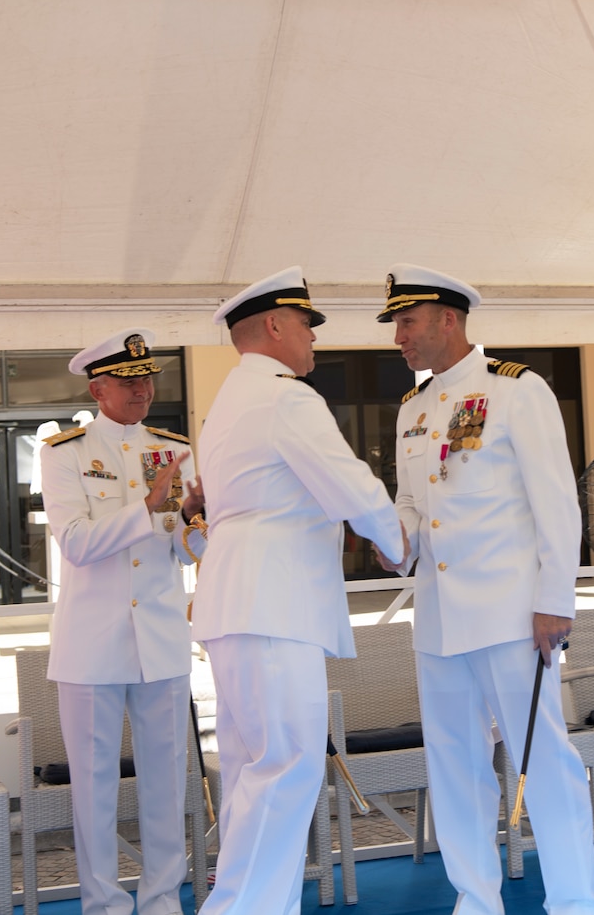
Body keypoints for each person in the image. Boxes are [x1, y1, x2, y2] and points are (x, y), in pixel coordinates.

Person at [378, 264, 594, 915]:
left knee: (543, 760)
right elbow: (412, 506)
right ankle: (476, 900)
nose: (399, 336)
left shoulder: (517, 389)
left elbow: (557, 503)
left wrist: (554, 601)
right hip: (439, 620)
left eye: (408, 321)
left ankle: (575, 903)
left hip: (512, 616)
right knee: (454, 768)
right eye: (396, 324)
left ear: (448, 319)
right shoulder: (413, 408)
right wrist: (394, 542)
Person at [193, 267, 407, 915]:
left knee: (252, 772)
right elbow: (349, 481)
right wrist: (398, 542)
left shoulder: (230, 398)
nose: (313, 337)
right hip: (274, 603)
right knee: (285, 768)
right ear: (275, 325)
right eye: (306, 325)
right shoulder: (286, 397)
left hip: (237, 602)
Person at [40, 328, 207, 915]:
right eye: (129, 381)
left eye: (148, 379)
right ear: (98, 389)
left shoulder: (174, 448)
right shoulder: (64, 452)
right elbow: (76, 543)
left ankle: (162, 902)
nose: (144, 390)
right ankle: (104, 905)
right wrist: (147, 506)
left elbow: (186, 552)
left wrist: (196, 518)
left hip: (160, 639)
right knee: (94, 788)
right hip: (93, 646)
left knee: (167, 783)